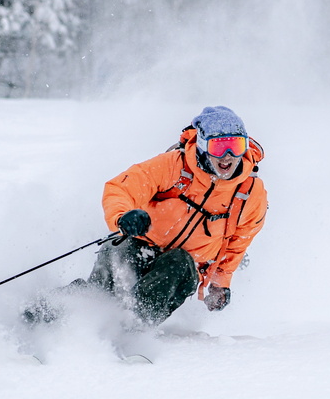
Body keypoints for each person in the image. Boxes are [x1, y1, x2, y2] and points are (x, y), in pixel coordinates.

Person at [25, 106, 267, 326]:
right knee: (108, 278)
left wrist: (220, 284)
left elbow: (238, 243)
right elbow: (121, 188)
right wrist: (123, 217)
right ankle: (46, 312)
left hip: (182, 269)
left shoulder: (250, 193)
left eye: (236, 146)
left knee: (179, 262)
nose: (228, 156)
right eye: (218, 146)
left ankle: (133, 326)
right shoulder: (173, 165)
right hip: (141, 244)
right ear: (203, 145)